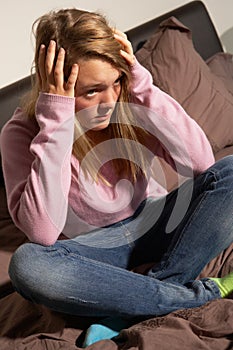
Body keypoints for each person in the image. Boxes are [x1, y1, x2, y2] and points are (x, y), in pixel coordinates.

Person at [1, 7, 233, 347]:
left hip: (152, 223)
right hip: (90, 249)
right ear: (55, 84)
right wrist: (56, 121)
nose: (109, 101)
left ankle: (138, 304)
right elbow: (42, 231)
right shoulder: (21, 132)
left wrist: (141, 83)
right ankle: (190, 296)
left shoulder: (131, 101)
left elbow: (200, 163)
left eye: (116, 82)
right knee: (26, 265)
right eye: (92, 91)